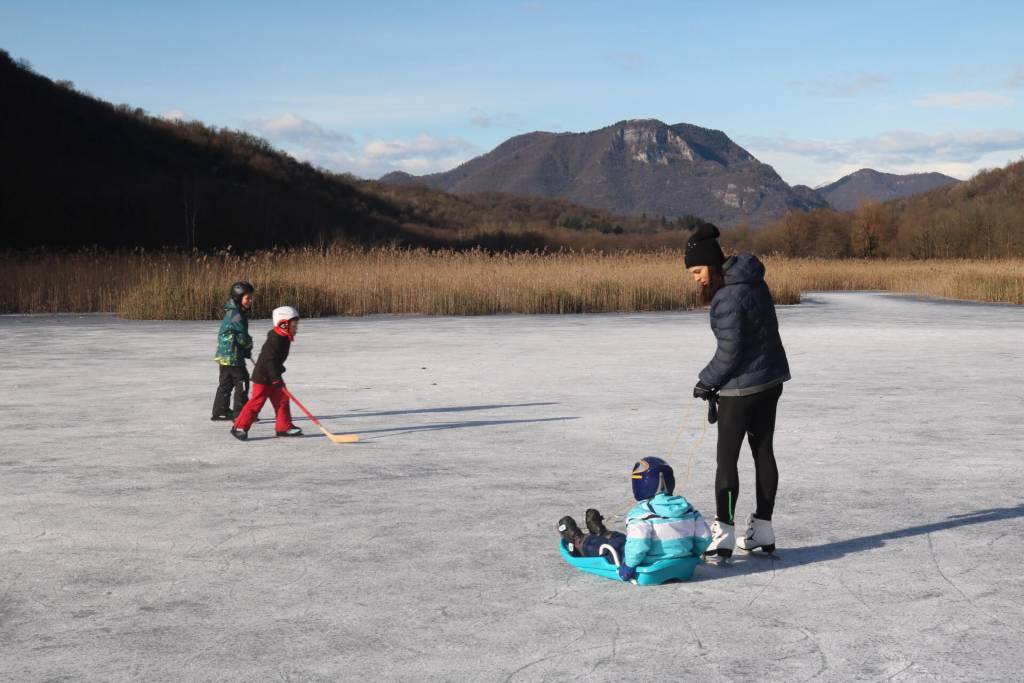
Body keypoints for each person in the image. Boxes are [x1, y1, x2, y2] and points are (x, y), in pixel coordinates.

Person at [685, 222, 791, 559]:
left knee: (726, 460)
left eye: (699, 269)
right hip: (770, 381)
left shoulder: (726, 296)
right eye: (692, 272)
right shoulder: (754, 281)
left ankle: (724, 532)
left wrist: (706, 381)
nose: (697, 278)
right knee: (763, 453)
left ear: (713, 265)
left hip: (742, 389)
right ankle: (763, 528)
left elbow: (729, 352)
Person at [558, 457, 711, 581]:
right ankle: (602, 532)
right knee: (625, 542)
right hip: (684, 566)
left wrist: (629, 566)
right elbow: (704, 537)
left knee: (613, 550)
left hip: (648, 565)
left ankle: (581, 540)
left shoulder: (641, 513)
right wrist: (689, 554)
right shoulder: (688, 509)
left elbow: (639, 545)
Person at [230, 306, 303, 441]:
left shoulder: (284, 337)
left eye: (296, 325)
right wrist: (275, 378)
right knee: (256, 403)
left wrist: (277, 373)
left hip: (273, 375)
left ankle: (283, 427)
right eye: (293, 325)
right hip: (263, 377)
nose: (296, 329)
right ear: (283, 323)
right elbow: (269, 360)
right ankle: (239, 427)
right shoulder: (275, 339)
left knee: (282, 400)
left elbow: (275, 361)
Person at [211, 281, 255, 420]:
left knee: (226, 382)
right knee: (242, 381)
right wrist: (248, 346)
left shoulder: (233, 311)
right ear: (238, 298)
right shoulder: (236, 314)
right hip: (232, 356)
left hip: (225, 356)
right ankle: (241, 413)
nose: (250, 301)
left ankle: (220, 410)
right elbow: (242, 336)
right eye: (248, 298)